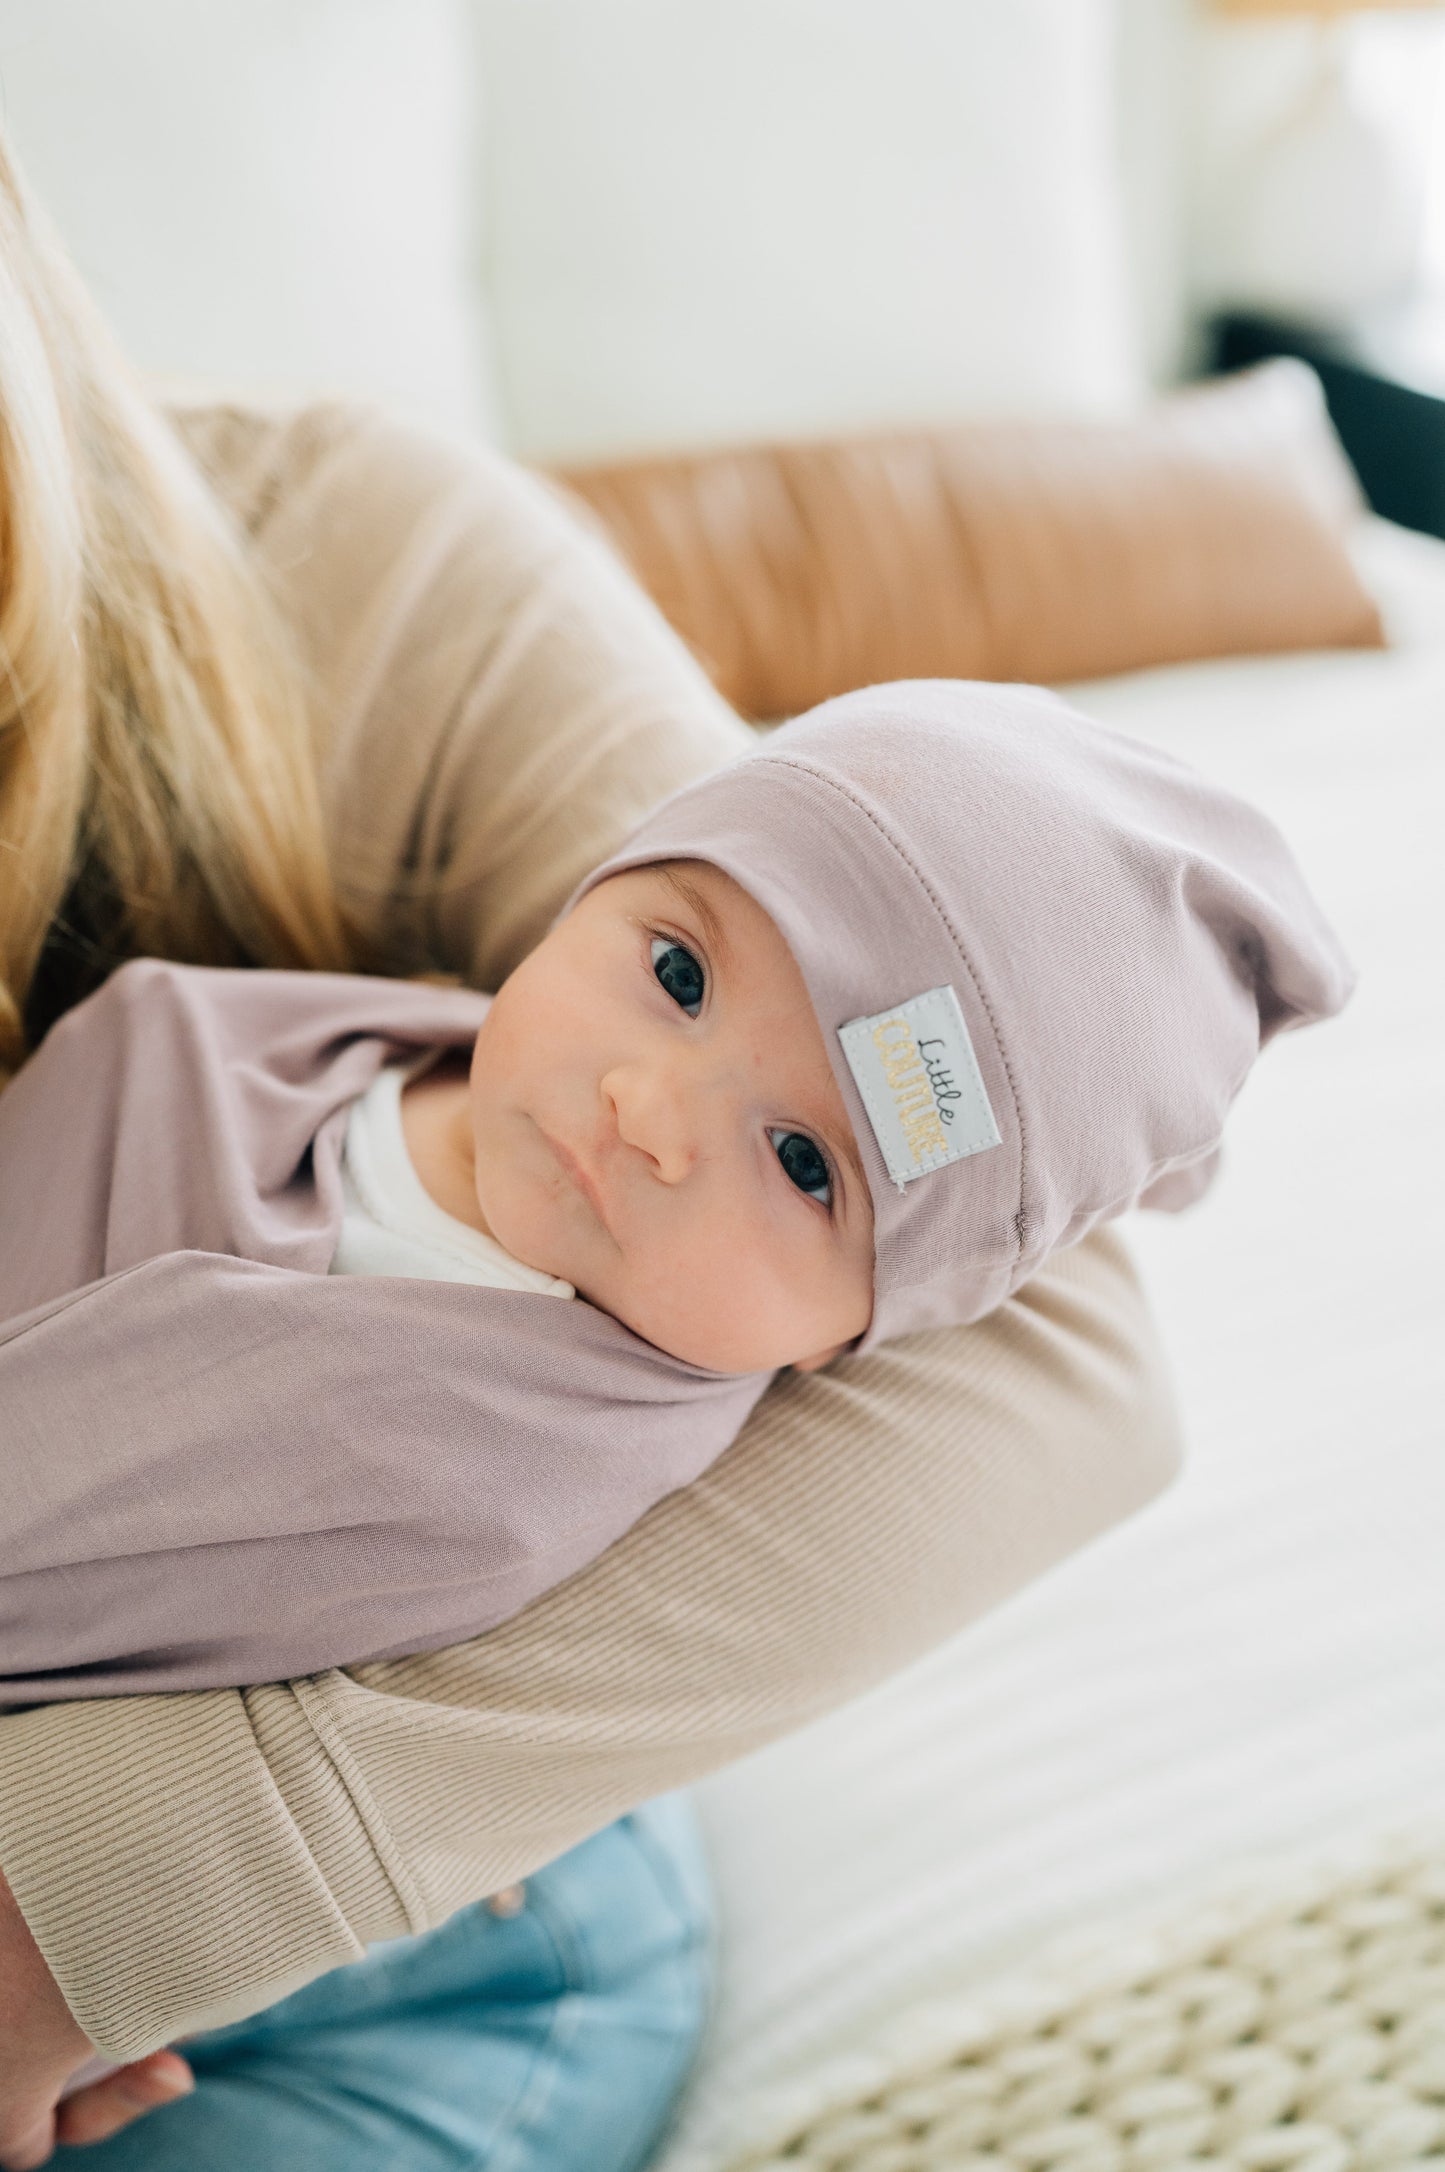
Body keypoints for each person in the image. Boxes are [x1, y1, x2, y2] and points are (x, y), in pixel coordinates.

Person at [0, 131, 1185, 2172]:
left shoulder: (363, 584)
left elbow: (1058, 1361)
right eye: (666, 981)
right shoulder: (209, 1074)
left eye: (808, 1166)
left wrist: (67, 1912)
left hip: (462, 1924)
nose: (653, 1100)